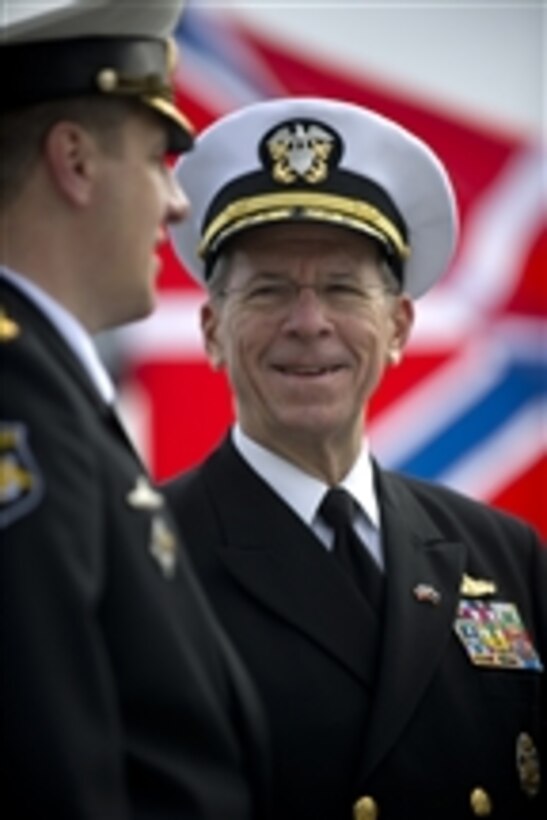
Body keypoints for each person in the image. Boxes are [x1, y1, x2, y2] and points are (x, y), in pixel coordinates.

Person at [164, 97, 546, 820]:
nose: (308, 324)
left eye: (342, 288)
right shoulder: (140, 559)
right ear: (212, 330)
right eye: (269, 290)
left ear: (397, 326)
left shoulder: (503, 555)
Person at [0, 2, 271, 818]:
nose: (178, 204)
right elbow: (47, 764)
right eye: (159, 159)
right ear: (74, 161)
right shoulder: (20, 397)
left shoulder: (47, 386)